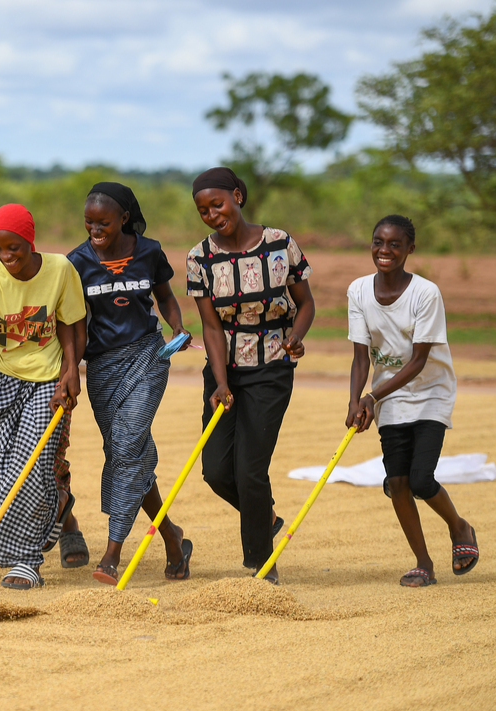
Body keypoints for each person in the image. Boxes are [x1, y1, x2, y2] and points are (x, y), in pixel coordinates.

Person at [187, 167, 315, 584]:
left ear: (238, 196)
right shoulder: (199, 258)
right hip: (224, 370)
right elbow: (209, 327)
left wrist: (296, 336)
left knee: (250, 471)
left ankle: (262, 563)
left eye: (217, 204)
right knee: (217, 471)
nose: (211, 214)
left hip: (271, 369)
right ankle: (265, 517)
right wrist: (220, 382)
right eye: (203, 209)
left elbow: (306, 303)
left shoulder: (280, 244)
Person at [67, 182, 193, 586]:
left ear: (123, 218)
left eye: (103, 222)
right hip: (101, 366)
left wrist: (177, 326)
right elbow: (73, 322)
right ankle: (172, 538)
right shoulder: (77, 262)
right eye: (88, 222)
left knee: (125, 448)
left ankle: (112, 553)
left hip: (148, 356)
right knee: (130, 455)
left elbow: (165, 296)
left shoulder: (149, 251)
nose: (94, 229)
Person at [346, 215, 478, 587]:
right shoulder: (358, 291)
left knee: (421, 479)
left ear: (409, 250)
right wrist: (355, 401)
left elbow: (419, 361)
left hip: (430, 391)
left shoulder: (425, 293)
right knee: (398, 482)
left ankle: (460, 527)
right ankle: (423, 563)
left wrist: (372, 395)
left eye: (394, 245)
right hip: (389, 396)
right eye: (378, 242)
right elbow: (361, 358)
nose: (384, 251)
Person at [0, 204, 87, 589]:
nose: (6, 257)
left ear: (29, 240)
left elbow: (71, 326)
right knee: (2, 465)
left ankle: (25, 560)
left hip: (47, 382)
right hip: (2, 379)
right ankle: (54, 512)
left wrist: (70, 371)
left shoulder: (61, 269)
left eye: (13, 247)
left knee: (29, 468)